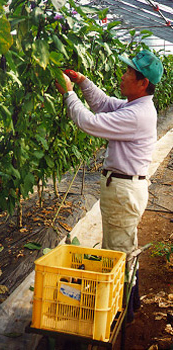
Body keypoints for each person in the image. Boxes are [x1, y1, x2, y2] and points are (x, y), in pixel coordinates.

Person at [55, 49, 163, 323]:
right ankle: (131, 302)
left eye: (129, 72)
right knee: (125, 246)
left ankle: (120, 315)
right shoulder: (135, 106)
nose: (123, 75)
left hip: (123, 190)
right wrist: (82, 81)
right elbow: (104, 103)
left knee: (117, 253)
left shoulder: (137, 115)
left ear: (142, 83)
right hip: (124, 189)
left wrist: (69, 93)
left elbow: (89, 122)